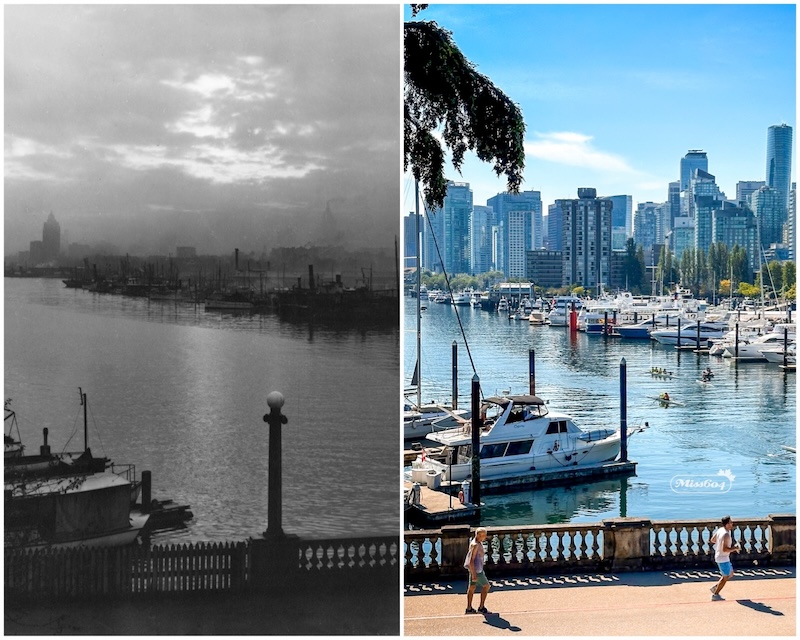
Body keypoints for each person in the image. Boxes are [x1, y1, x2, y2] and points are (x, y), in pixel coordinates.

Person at [710, 515, 739, 600]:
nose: (732, 523)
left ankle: (716, 587)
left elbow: (712, 540)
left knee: (730, 573)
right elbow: (725, 549)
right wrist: (735, 548)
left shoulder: (720, 530)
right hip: (722, 558)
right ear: (726, 524)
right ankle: (715, 594)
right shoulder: (726, 534)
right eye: (730, 522)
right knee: (726, 576)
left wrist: (719, 542)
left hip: (723, 557)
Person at [464, 527, 490, 614]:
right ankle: (481, 607)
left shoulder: (476, 542)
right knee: (486, 586)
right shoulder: (475, 545)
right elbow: (471, 560)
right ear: (479, 535)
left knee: (472, 588)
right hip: (477, 571)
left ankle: (469, 608)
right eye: (484, 535)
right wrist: (474, 574)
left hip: (475, 569)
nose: (485, 537)